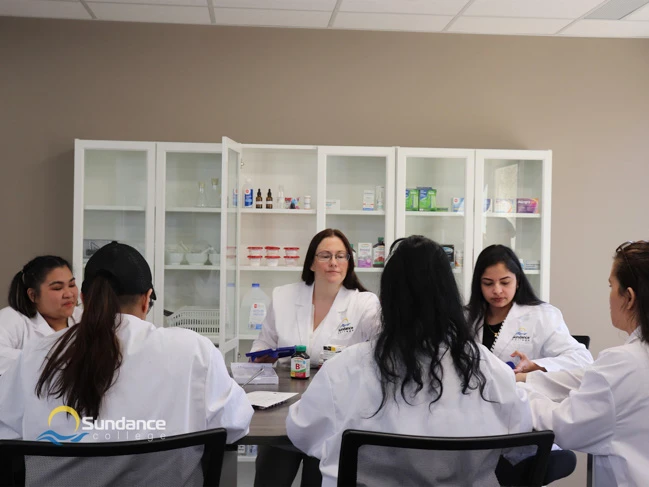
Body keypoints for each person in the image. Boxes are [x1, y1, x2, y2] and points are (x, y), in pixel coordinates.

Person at [286, 236, 533, 487]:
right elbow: (520, 442)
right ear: (448, 295)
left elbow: (302, 433)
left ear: (389, 297)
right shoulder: (487, 368)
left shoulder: (345, 368)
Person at [0, 241, 253, 486]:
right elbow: (235, 423)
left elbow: (7, 434)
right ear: (147, 299)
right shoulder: (193, 349)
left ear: (85, 299)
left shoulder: (36, 354)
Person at [251, 228, 381, 487]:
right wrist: (260, 357)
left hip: (335, 409)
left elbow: (379, 349)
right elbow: (263, 343)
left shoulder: (365, 304)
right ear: (311, 262)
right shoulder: (284, 296)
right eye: (325, 255)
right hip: (282, 406)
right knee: (270, 479)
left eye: (341, 256)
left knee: (318, 479)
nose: (334, 262)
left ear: (349, 262)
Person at [518, 240, 649, 486]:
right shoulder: (631, 360)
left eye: (611, 286)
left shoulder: (624, 362)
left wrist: (517, 392)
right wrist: (528, 379)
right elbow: (592, 377)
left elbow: (563, 426)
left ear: (629, 297)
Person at [467, 244, 592, 374]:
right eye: (488, 283)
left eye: (505, 282)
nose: (497, 290)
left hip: (524, 392)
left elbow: (582, 358)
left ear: (518, 282)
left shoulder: (543, 315)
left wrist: (535, 365)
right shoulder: (466, 317)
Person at [0, 255, 82, 375]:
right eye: (58, 288)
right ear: (33, 295)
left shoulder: (84, 318)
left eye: (71, 285)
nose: (69, 294)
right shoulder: (12, 318)